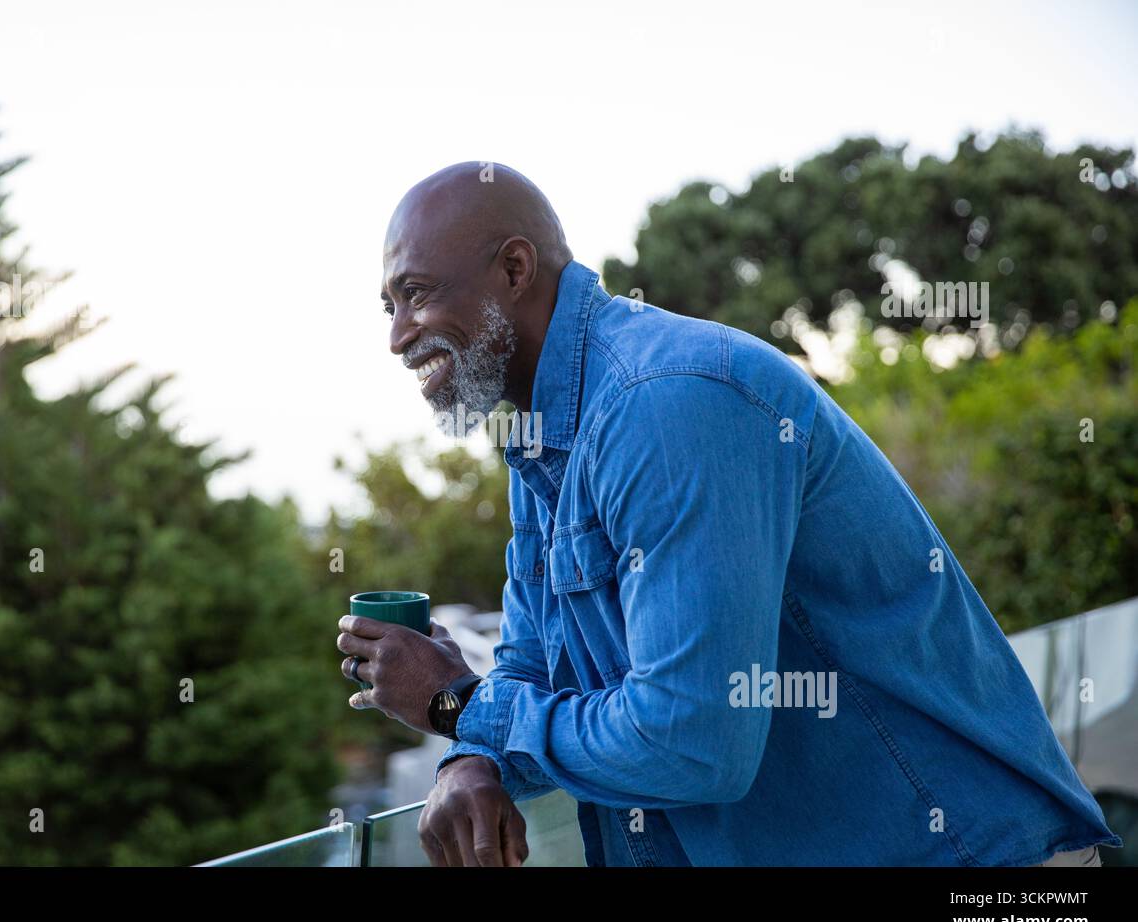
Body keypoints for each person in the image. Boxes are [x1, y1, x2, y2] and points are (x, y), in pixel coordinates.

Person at [335, 162, 1121, 867]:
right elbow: (538, 673)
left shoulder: (665, 404)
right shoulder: (540, 439)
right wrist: (470, 755)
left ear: (513, 268)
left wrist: (457, 705)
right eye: (388, 306)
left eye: (418, 293)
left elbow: (693, 742)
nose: (399, 334)